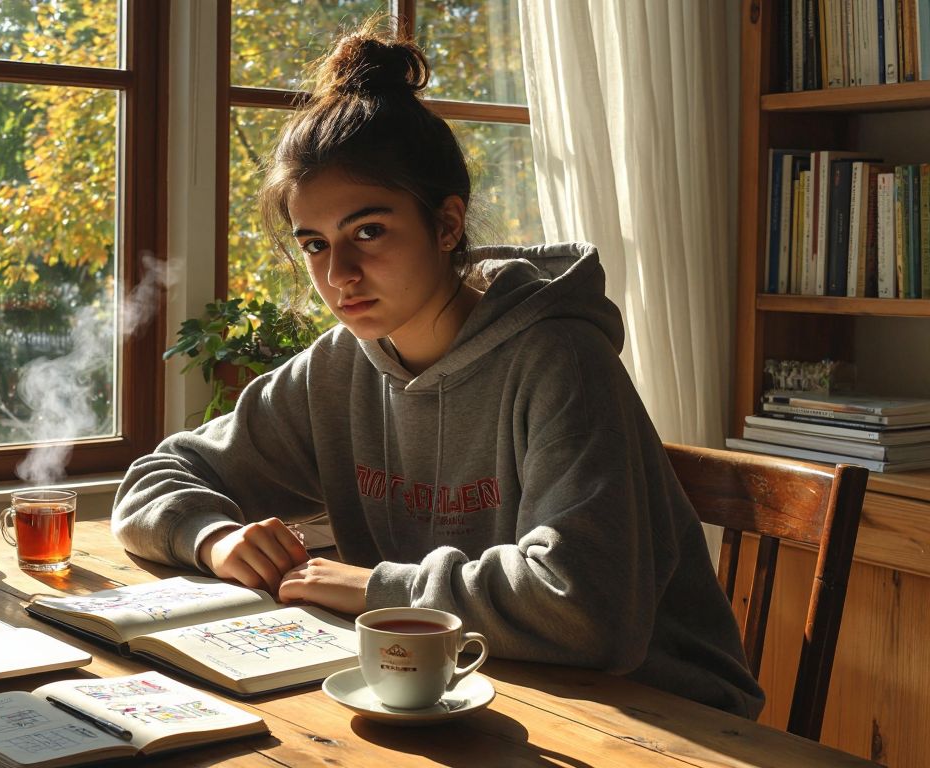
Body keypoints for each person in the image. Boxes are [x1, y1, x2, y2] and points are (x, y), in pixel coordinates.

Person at [111, 25, 764, 718]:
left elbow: (585, 607)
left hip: (661, 713)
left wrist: (372, 588)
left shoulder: (561, 360)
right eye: (314, 244)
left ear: (447, 224)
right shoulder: (339, 368)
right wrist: (216, 540)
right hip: (472, 690)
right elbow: (153, 480)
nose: (340, 274)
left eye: (368, 231)